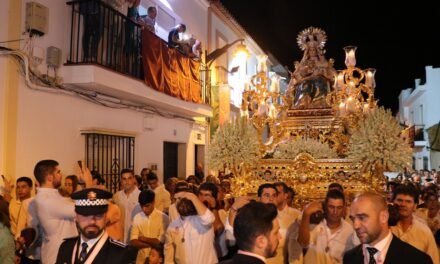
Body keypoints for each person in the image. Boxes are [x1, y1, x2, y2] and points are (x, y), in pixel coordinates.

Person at [344, 192, 432, 264]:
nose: (355, 225)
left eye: (362, 218)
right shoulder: (350, 258)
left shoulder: (417, 260)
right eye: (353, 219)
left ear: (384, 217)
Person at [33, 160, 92, 264]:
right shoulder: (46, 200)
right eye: (58, 172)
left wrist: (83, 185)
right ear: (50, 177)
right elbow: (83, 209)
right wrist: (89, 183)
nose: (61, 175)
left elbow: (76, 203)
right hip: (56, 256)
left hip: (64, 253)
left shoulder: (53, 195)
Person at [56, 188, 136, 263]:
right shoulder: (66, 248)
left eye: (98, 215)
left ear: (105, 217)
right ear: (76, 217)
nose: (92, 221)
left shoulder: (121, 253)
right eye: (86, 215)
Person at [298, 189, 358, 263]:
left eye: (339, 208)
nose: (335, 212)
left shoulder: (349, 231)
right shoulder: (315, 223)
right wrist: (306, 214)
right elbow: (303, 243)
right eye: (331, 207)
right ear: (325, 206)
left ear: (344, 208)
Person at [164, 190, 217, 264]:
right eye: (177, 200)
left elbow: (209, 219)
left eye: (185, 201)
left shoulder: (200, 220)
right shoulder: (172, 226)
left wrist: (192, 197)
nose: (180, 204)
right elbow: (168, 257)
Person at [390, 185, 439, 263]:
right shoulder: (385, 228)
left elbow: (434, 260)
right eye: (399, 200)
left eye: (408, 201)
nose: (403, 204)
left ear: (415, 206)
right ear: (393, 202)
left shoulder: (424, 231)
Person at [130, 190, 169, 264]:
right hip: (140, 260)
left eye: (147, 206)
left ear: (153, 202)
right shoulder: (137, 217)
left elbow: (159, 242)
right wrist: (152, 244)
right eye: (142, 206)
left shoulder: (164, 218)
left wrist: (142, 238)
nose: (144, 209)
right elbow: (133, 241)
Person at [113, 168, 142, 243]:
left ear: (134, 179)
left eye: (129, 178)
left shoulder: (140, 195)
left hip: (136, 237)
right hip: (120, 237)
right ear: (121, 181)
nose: (127, 181)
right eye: (124, 179)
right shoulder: (117, 196)